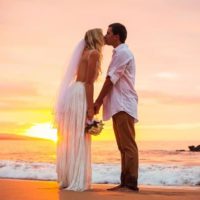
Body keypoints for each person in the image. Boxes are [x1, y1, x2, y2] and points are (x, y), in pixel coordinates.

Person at [55, 28, 104, 191]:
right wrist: (90, 108)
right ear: (96, 38)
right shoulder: (94, 54)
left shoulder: (82, 54)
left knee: (73, 136)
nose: (104, 38)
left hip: (72, 93)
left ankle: (68, 177)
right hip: (81, 94)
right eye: (101, 35)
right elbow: (89, 84)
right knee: (80, 136)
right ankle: (77, 179)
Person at [94, 23, 139, 191]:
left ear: (117, 36)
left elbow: (110, 79)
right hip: (118, 104)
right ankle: (125, 182)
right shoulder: (118, 53)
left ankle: (131, 183)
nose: (105, 36)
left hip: (123, 104)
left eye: (108, 33)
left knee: (128, 145)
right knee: (122, 146)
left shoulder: (123, 53)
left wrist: (98, 101)